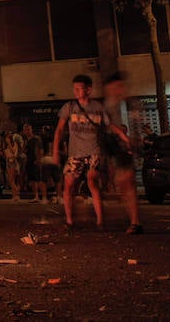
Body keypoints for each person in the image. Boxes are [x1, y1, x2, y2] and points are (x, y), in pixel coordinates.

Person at [53, 73, 116, 230]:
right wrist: (55, 151)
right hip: (75, 153)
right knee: (69, 185)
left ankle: (100, 221)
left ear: (89, 90)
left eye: (80, 88)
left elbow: (109, 126)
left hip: (94, 151)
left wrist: (122, 137)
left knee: (92, 183)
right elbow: (59, 130)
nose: (76, 91)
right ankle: (69, 220)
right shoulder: (69, 107)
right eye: (74, 89)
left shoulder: (98, 107)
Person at [99, 71, 142, 234]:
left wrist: (132, 142)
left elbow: (134, 125)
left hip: (125, 148)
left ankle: (135, 222)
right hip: (114, 148)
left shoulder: (128, 103)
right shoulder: (108, 104)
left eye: (116, 87)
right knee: (123, 185)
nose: (114, 90)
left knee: (127, 182)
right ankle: (133, 219)